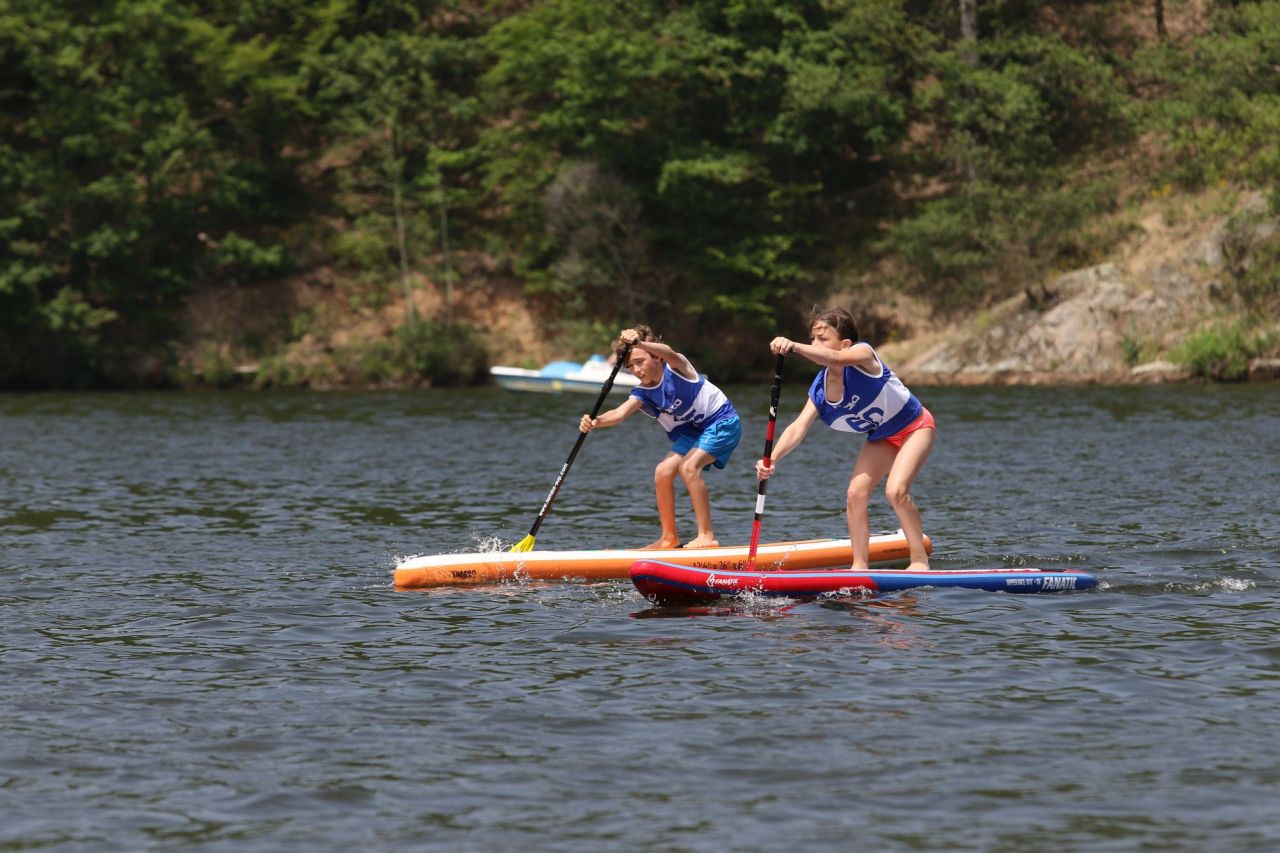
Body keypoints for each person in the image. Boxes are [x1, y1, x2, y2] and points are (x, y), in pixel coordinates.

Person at [755, 308, 935, 571]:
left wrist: (793, 345)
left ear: (845, 344)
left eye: (822, 339)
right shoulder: (819, 389)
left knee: (895, 491)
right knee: (855, 494)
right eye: (812, 339)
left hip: (916, 427)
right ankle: (859, 566)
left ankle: (919, 560)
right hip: (882, 437)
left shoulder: (863, 355)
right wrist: (771, 459)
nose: (815, 345)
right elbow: (798, 427)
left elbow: (835, 359)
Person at [580, 326, 742, 549]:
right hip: (694, 431)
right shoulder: (643, 393)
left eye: (640, 361)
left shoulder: (677, 367)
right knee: (662, 472)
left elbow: (668, 351)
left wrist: (639, 343)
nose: (636, 370)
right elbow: (619, 413)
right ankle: (669, 538)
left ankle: (707, 536)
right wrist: (595, 421)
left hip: (721, 422)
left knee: (688, 468)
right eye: (630, 366)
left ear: (655, 357)